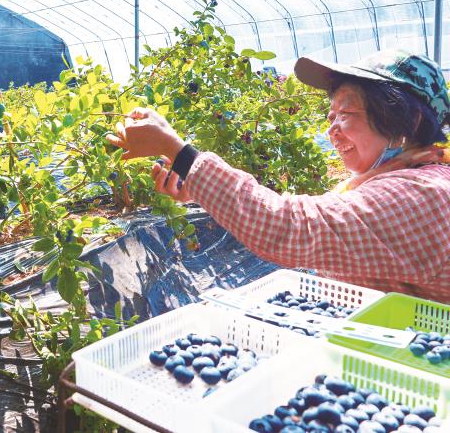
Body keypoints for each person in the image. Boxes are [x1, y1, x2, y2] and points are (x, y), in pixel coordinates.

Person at [107, 49, 450, 303]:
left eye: (346, 112)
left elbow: (292, 226)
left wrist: (182, 154)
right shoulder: (394, 177)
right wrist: (197, 186)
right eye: (330, 116)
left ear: (411, 122)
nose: (331, 130)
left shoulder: (425, 196)